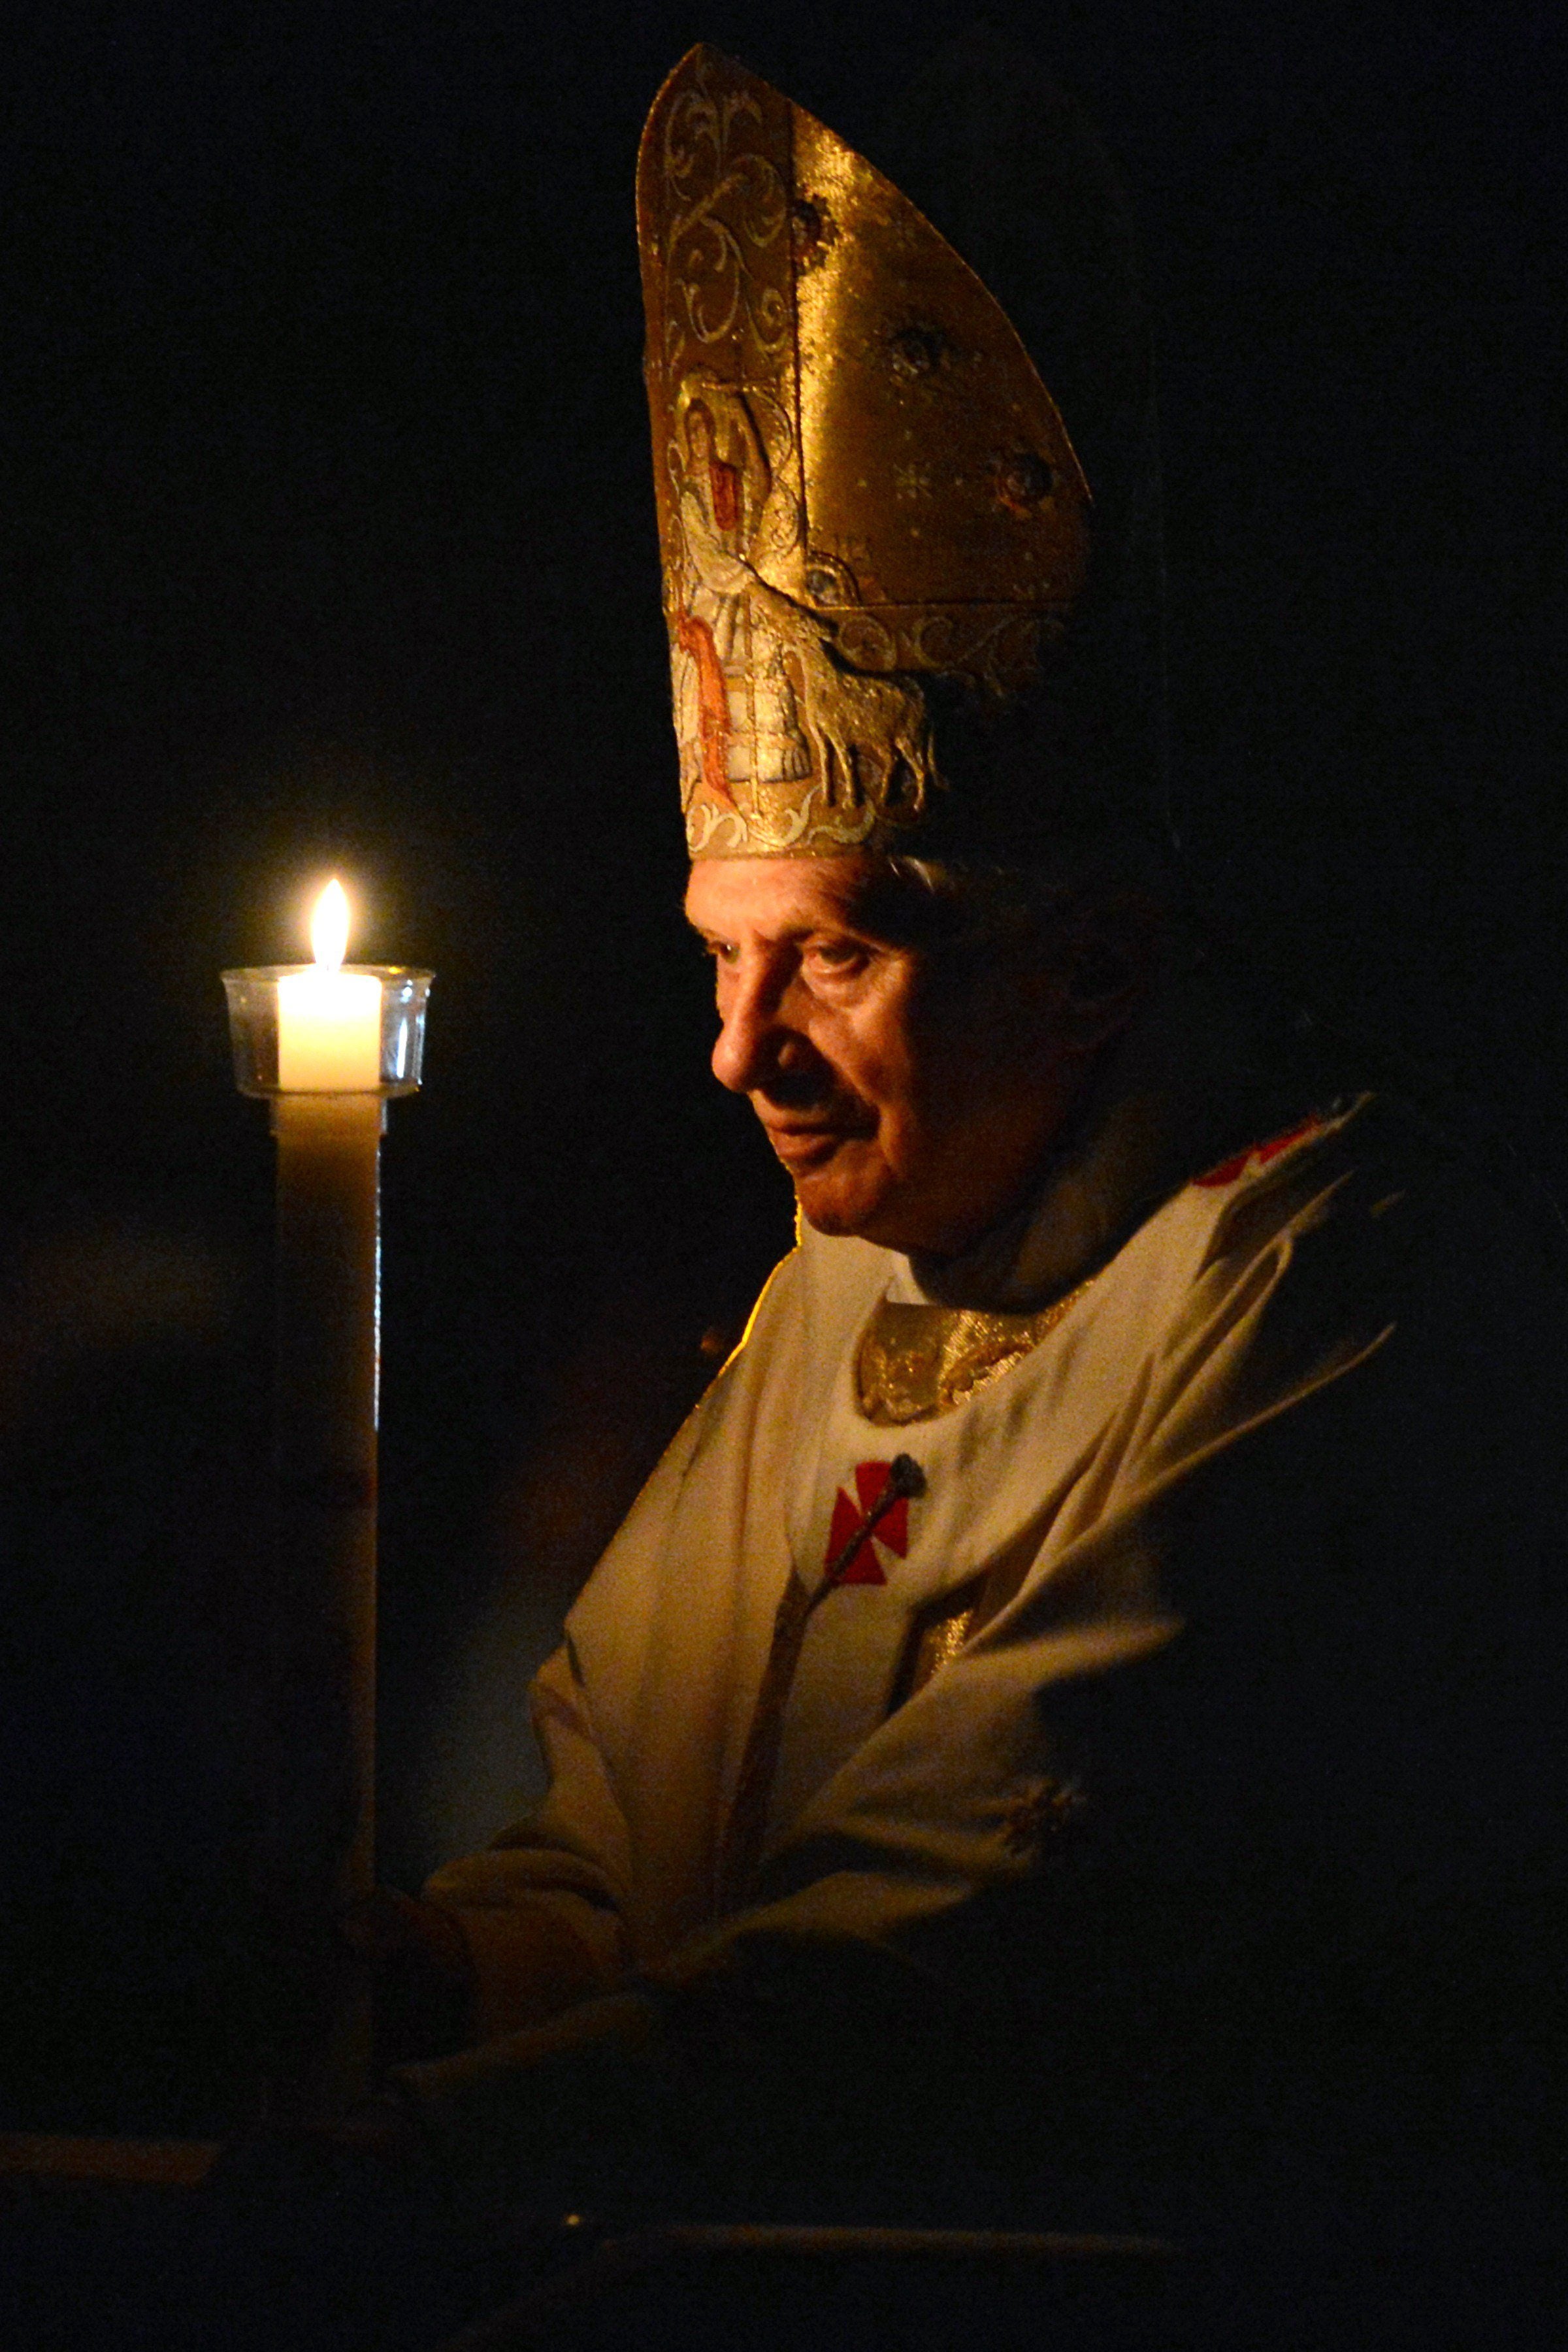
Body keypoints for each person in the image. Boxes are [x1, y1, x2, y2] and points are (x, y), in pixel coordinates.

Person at [218, 41, 1565, 2347]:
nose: (743, 1056)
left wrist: (460, 2157)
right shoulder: (837, 1285)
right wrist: (439, 1963)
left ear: (1093, 962)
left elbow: (979, 1930)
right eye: (722, 962)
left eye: (832, 953)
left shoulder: (1331, 1272)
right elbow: (629, 1859)